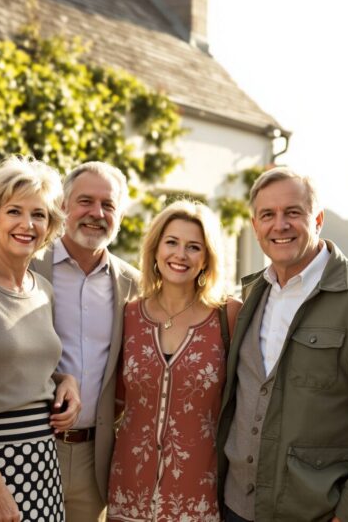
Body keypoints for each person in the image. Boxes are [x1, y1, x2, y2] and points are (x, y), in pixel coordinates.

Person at [216, 167, 348, 522]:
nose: (280, 225)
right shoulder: (250, 296)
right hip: (234, 508)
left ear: (317, 219)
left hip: (315, 512)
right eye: (267, 215)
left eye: (293, 212)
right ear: (254, 225)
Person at [0, 155, 81, 522]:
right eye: (14, 212)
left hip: (42, 458)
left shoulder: (44, 290)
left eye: (39, 215)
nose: (27, 225)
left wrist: (64, 379)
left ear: (51, 225)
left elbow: (21, 364)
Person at [107, 200, 242, 522]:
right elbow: (113, 401)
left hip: (199, 494)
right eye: (171, 242)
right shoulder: (128, 314)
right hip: (128, 492)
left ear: (207, 258)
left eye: (193, 247)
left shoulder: (229, 315)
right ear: (155, 250)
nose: (180, 255)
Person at [30, 162, 140, 522]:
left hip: (98, 456)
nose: (96, 213)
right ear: (63, 205)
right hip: (32, 447)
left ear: (120, 215)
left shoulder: (133, 285)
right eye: (85, 201)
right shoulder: (28, 265)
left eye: (108, 205)